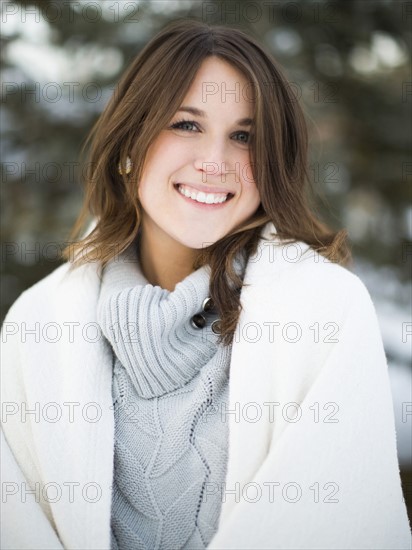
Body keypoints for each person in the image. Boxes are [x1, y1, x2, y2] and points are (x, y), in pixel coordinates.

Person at [1, 18, 410, 550]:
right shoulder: (37, 326)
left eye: (244, 136)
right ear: (130, 142)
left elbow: (338, 523)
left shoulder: (323, 312)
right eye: (186, 125)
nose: (214, 163)